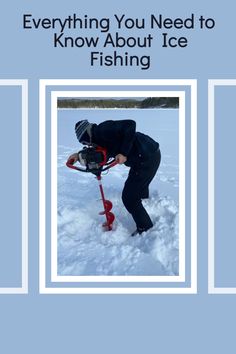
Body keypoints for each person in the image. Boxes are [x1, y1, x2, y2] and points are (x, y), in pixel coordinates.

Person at [68, 119, 161, 236]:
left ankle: (145, 228)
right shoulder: (99, 140)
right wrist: (79, 156)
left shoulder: (103, 129)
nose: (88, 145)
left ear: (87, 134)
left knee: (129, 198)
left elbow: (130, 124)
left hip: (148, 156)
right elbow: (102, 154)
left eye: (85, 142)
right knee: (137, 186)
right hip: (141, 157)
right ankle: (143, 202)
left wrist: (123, 153)